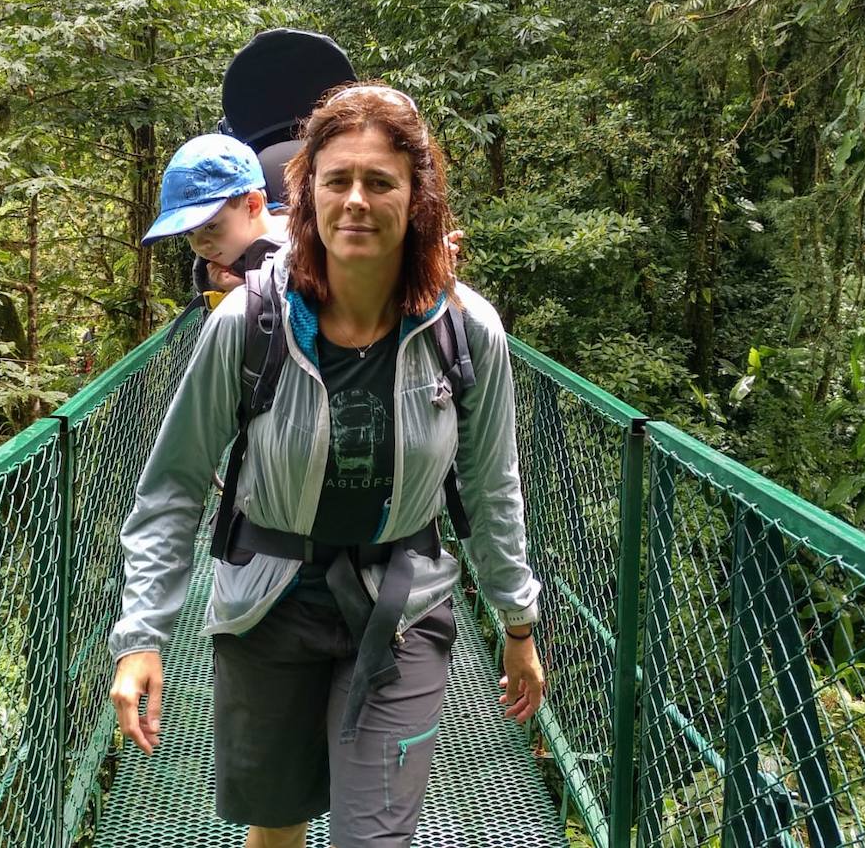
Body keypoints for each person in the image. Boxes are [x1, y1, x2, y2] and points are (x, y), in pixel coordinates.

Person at [110, 83, 545, 848]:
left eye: (381, 182)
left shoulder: (467, 332)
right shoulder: (248, 324)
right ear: (304, 194)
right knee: (277, 828)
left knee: (370, 839)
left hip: (401, 606)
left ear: (418, 199)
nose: (356, 201)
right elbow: (175, 484)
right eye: (336, 179)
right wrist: (142, 634)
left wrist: (517, 619)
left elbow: (491, 482)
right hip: (267, 605)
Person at [141, 133, 289, 299]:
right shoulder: (207, 269)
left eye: (211, 227)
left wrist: (248, 294)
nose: (200, 245)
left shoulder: (304, 250)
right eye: (189, 233)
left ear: (252, 205)